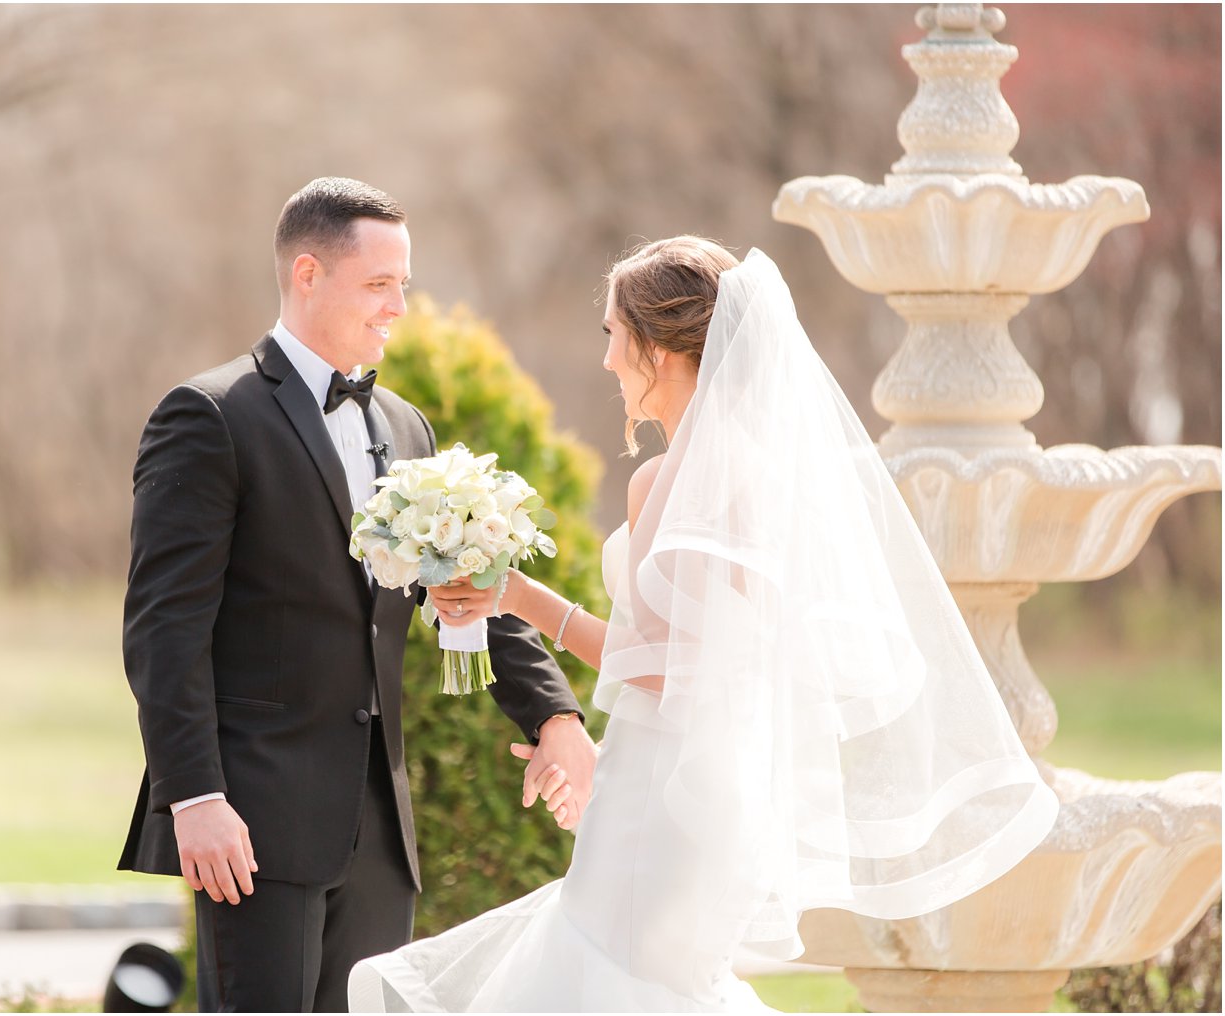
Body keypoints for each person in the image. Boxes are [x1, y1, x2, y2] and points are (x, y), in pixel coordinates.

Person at [351, 239, 1061, 1012]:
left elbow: (672, 673)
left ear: (658, 347)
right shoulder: (740, 472)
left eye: (614, 336)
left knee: (615, 981)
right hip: (685, 789)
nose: (608, 360)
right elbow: (684, 667)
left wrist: (523, 598)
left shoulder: (692, 481)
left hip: (668, 805)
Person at [118, 177, 599, 1013]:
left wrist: (554, 719)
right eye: (381, 285)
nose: (399, 308)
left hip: (380, 834)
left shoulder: (406, 428)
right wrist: (194, 797)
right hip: (251, 824)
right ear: (308, 274)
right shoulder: (210, 416)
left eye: (403, 285)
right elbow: (164, 632)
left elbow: (466, 584)